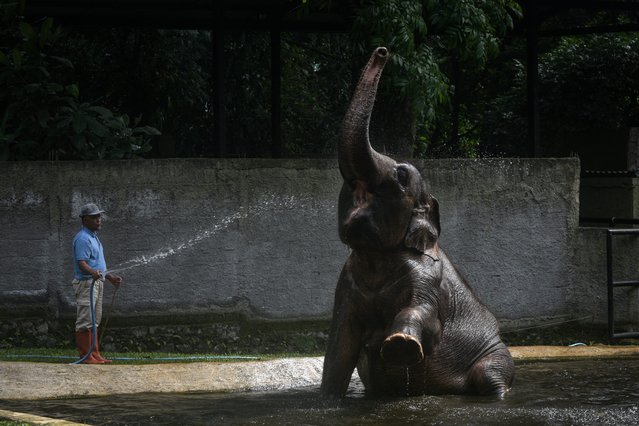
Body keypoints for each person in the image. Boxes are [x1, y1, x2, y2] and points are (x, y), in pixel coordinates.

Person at [72, 203, 123, 364]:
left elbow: (98, 265)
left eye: (99, 216)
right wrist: (93, 273)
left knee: (95, 320)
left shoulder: (94, 237)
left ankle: (94, 354)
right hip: (87, 284)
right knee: (85, 320)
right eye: (94, 217)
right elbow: (82, 263)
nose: (99, 220)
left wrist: (110, 277)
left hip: (97, 283)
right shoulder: (83, 238)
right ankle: (86, 356)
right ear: (85, 220)